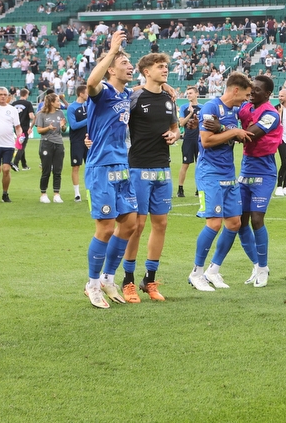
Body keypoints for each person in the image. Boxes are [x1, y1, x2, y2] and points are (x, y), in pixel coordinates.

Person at [82, 30, 137, 309]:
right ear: (112, 68)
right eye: (125, 63)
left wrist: (165, 88)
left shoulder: (127, 93)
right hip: (101, 166)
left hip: (121, 166)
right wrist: (113, 50)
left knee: (129, 223)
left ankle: (107, 278)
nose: (131, 67)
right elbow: (91, 82)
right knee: (104, 227)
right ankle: (91, 284)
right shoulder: (101, 91)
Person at [188, 73, 253, 291]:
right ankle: (196, 273)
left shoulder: (234, 111)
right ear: (235, 90)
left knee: (234, 223)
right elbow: (206, 141)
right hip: (210, 173)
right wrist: (234, 131)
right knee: (214, 223)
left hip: (228, 173)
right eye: (245, 94)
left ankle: (213, 270)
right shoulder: (210, 108)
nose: (245, 99)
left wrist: (231, 130)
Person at [122, 54, 179, 302]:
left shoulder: (169, 99)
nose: (165, 70)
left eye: (166, 66)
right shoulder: (134, 97)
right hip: (137, 167)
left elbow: (175, 126)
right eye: (160, 67)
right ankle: (127, 281)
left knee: (161, 224)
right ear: (146, 71)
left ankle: (150, 279)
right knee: (137, 225)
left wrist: (175, 135)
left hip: (162, 169)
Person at [236, 75, 283, 288]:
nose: (251, 92)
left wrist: (220, 130)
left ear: (267, 94)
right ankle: (256, 264)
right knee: (240, 222)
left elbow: (250, 135)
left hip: (264, 172)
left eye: (256, 90)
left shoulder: (271, 115)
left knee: (257, 219)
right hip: (246, 169)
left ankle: (263, 268)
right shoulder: (245, 108)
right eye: (250, 88)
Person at [35, 92, 66, 203]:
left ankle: (56, 194)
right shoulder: (41, 114)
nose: (59, 103)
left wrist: (63, 126)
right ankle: (43, 194)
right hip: (46, 143)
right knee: (46, 170)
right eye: (57, 101)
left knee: (57, 170)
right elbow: (39, 130)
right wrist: (48, 127)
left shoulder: (61, 113)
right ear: (52, 103)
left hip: (58, 143)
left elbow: (63, 130)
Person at [176, 87, 201, 198]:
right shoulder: (184, 107)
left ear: (196, 94)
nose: (188, 95)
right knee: (185, 164)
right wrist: (190, 114)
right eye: (187, 93)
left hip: (200, 140)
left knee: (199, 165)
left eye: (190, 93)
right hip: (188, 139)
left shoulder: (203, 107)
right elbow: (181, 123)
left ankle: (199, 189)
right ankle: (180, 189)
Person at [66, 85, 89, 202]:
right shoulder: (72, 108)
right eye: (87, 92)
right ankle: (77, 193)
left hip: (89, 140)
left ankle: (90, 192)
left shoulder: (89, 105)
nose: (88, 95)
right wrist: (88, 119)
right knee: (76, 166)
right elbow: (73, 125)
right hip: (77, 141)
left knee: (90, 166)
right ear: (81, 93)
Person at [11, 89, 35, 172]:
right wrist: (36, 117)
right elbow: (31, 115)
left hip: (16, 128)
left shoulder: (13, 104)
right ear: (26, 94)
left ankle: (24, 165)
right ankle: (15, 163)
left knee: (21, 145)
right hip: (24, 128)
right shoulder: (28, 104)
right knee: (22, 146)